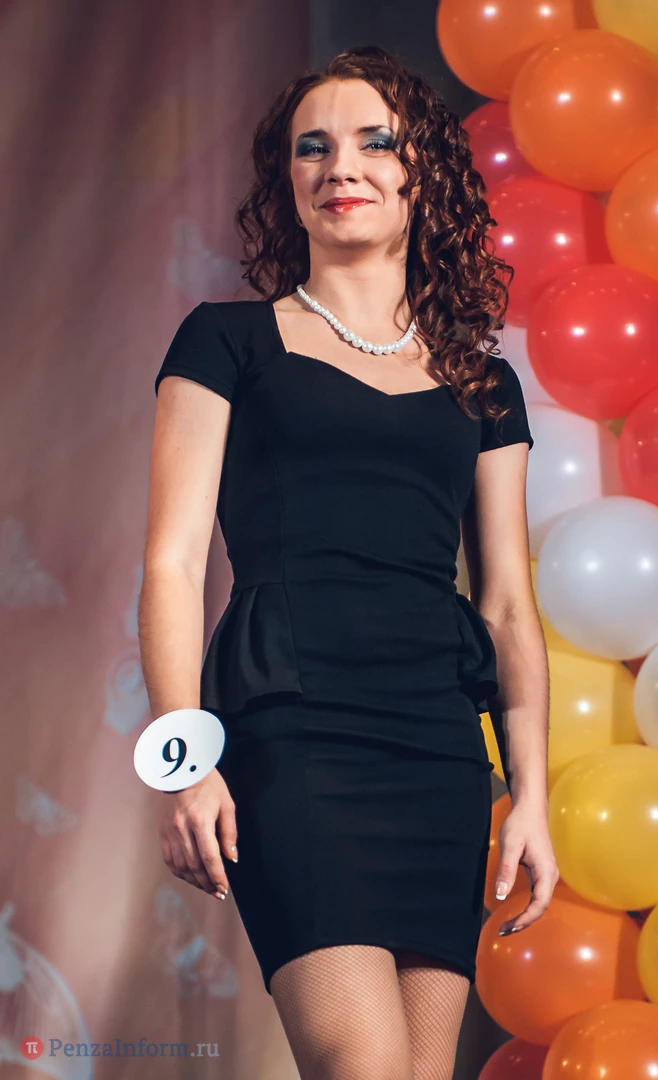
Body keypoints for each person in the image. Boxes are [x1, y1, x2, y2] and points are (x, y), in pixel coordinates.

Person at [141, 43, 556, 1080]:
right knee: (361, 1066)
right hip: (292, 735)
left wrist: (532, 796)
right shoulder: (225, 342)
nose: (341, 167)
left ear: (424, 175)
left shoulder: (482, 382)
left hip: (438, 748)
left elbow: (508, 605)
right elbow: (171, 565)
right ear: (287, 181)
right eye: (312, 148)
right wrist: (184, 767)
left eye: (376, 142)